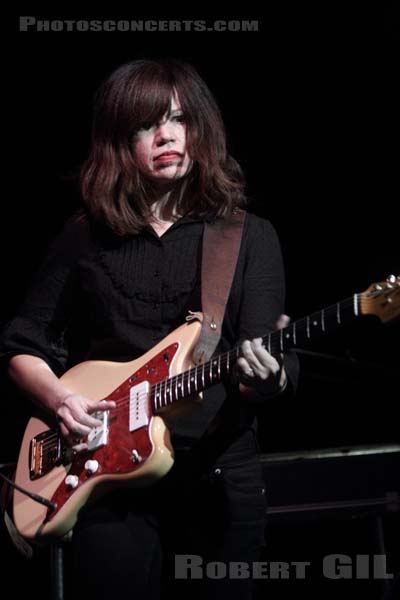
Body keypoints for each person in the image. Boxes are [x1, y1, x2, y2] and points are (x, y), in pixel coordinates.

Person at [0, 58, 298, 599]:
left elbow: (264, 373)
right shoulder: (84, 237)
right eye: (146, 124)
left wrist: (268, 376)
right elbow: (22, 343)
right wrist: (62, 400)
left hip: (215, 482)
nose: (167, 135)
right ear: (119, 142)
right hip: (108, 483)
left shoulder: (248, 237)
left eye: (180, 120)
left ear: (200, 130)